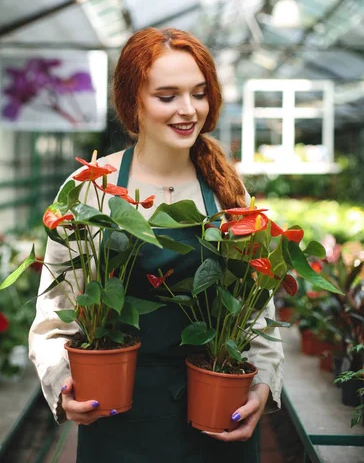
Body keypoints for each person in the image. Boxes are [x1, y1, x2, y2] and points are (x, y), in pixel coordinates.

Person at [29, 27, 284, 462]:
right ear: (133, 103)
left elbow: (256, 308)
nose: (188, 110)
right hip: (116, 416)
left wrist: (262, 386)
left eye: (199, 93)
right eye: (167, 96)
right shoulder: (92, 187)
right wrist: (62, 386)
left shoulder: (224, 189)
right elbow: (55, 314)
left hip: (218, 416)